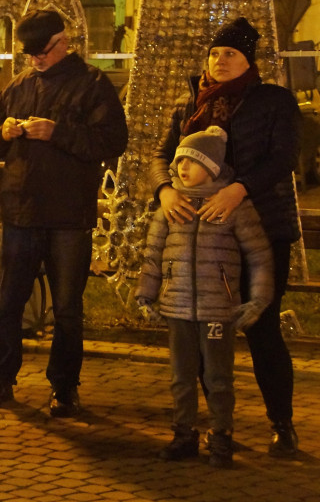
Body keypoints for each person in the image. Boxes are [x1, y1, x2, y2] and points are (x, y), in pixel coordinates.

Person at [152, 17, 302, 457]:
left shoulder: (274, 102)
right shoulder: (190, 105)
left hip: (261, 229)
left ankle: (282, 424)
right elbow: (162, 155)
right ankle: (207, 430)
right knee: (202, 331)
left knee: (261, 327)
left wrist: (240, 188)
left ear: (248, 61)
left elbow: (284, 157)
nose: (220, 60)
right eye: (215, 53)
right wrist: (164, 189)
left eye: (230, 54)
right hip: (204, 235)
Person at [0, 9, 128, 417]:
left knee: (67, 308)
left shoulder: (92, 84)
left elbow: (113, 140)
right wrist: (1, 133)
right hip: (21, 211)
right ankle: (1, 379)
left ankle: (64, 388)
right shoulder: (22, 84)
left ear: (64, 42)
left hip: (68, 215)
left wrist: (57, 132)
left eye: (42, 52)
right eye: (30, 55)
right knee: (8, 303)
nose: (36, 60)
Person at [136, 126, 274, 468]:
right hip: (177, 307)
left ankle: (221, 435)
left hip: (217, 308)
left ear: (213, 167)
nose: (182, 168)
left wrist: (257, 300)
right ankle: (183, 433)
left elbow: (258, 255)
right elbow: (153, 254)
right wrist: (146, 295)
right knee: (181, 376)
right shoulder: (170, 206)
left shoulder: (233, 206)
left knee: (218, 377)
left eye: (192, 161)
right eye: (179, 160)